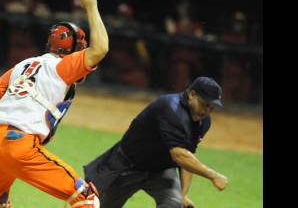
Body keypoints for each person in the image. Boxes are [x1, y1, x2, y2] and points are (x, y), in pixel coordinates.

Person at [0, 0, 108, 208]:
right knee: (87, 198)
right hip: (20, 148)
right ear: (72, 51)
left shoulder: (23, 66)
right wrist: (91, 6)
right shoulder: (63, 66)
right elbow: (100, 49)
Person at [84, 76, 229, 208]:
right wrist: (213, 175)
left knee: (174, 204)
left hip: (161, 171)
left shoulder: (203, 121)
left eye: (212, 107)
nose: (207, 111)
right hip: (128, 167)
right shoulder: (170, 108)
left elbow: (188, 155)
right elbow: (180, 155)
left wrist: (184, 195)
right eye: (205, 104)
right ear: (192, 94)